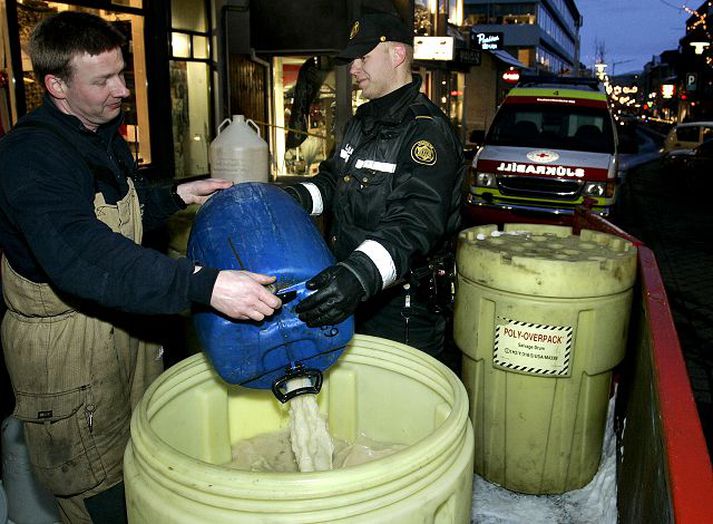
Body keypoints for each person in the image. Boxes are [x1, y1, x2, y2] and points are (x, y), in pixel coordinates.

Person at [0, 11, 281, 523]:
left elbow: (113, 211)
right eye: (103, 80)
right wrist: (205, 285)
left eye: (122, 74)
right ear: (56, 86)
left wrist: (175, 195)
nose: (123, 90)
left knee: (144, 472)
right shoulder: (31, 156)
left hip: (121, 337)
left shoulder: (97, 133)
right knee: (102, 497)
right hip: (67, 353)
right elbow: (84, 253)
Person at [287, 12, 465, 361]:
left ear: (397, 56)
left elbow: (415, 219)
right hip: (353, 292)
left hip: (402, 312)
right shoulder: (363, 120)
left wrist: (359, 275)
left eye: (362, 57)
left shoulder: (426, 131)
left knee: (396, 408)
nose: (353, 69)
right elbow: (332, 182)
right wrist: (290, 199)